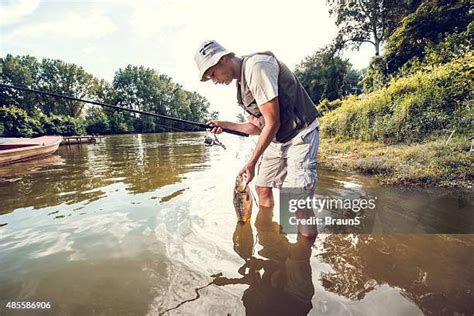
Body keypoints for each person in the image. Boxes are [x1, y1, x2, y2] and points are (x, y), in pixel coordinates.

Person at [194, 40, 320, 236]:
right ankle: (270, 242)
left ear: (224, 58)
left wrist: (251, 163)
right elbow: (255, 127)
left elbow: (272, 122)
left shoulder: (257, 67)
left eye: (212, 73)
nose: (213, 80)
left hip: (300, 134)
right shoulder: (240, 88)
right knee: (262, 186)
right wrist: (225, 125)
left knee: (297, 202)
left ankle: (302, 258)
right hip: (277, 138)